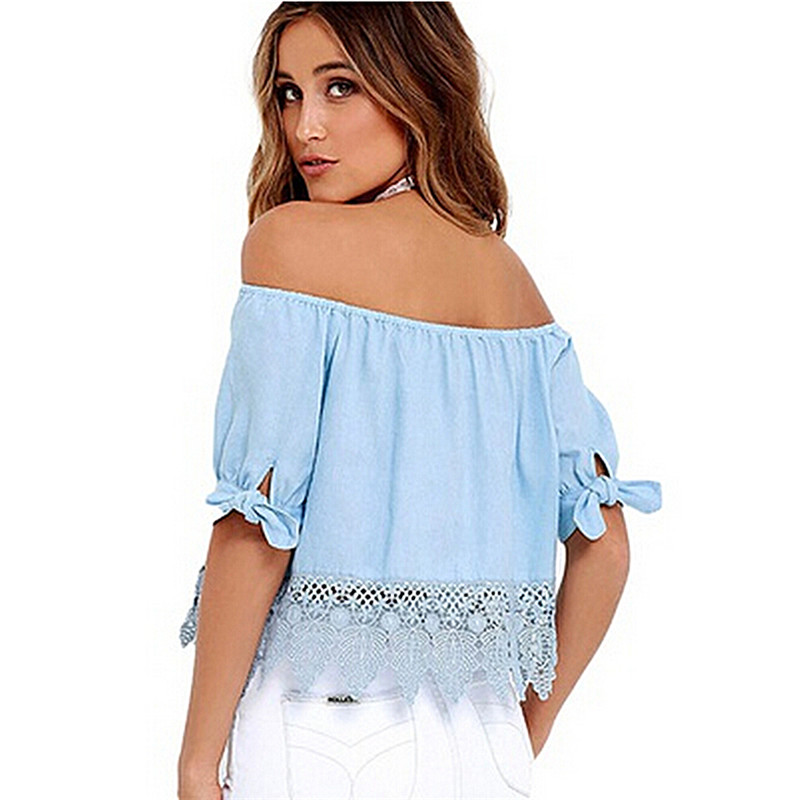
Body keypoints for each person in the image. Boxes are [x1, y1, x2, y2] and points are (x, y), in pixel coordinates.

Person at [177, 4, 663, 799]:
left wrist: (197, 763)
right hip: (486, 740)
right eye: (290, 93)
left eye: (341, 87)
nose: (306, 128)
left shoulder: (289, 244)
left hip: (321, 724)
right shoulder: (512, 284)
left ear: (418, 86)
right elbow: (604, 546)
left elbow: (257, 526)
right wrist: (521, 730)